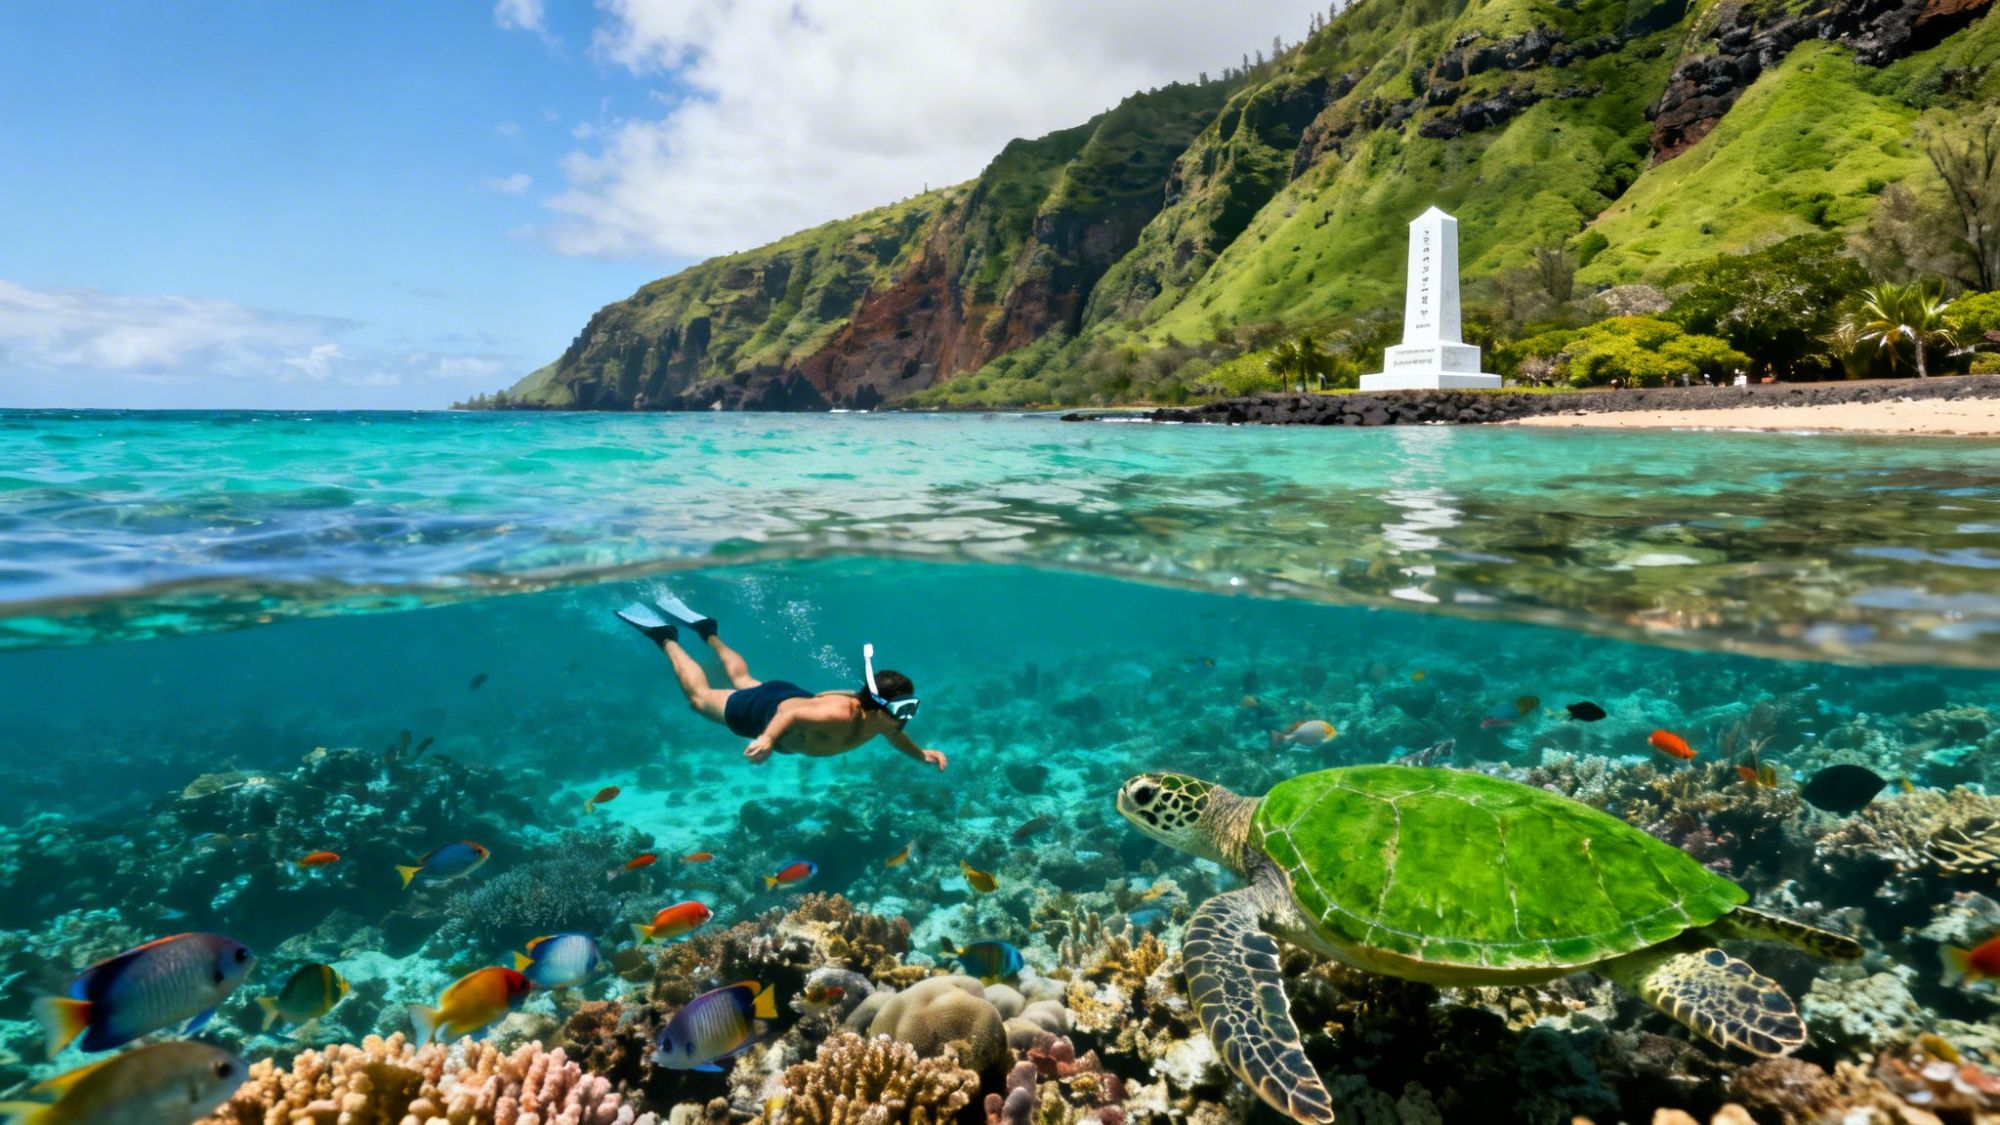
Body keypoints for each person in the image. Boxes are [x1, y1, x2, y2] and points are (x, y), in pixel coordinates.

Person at [617, 596, 947, 770]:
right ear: (877, 707)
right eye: (903, 708)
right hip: (771, 711)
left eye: (911, 707)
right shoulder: (841, 715)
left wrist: (921, 755)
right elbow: (789, 712)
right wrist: (767, 740)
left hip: (790, 697)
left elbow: (895, 737)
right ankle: (666, 637)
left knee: (744, 679)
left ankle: (707, 631)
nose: (906, 716)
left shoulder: (883, 721)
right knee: (699, 699)